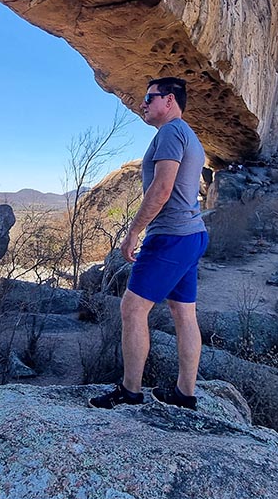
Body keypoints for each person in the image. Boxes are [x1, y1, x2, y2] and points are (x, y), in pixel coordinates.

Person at [89, 76, 208, 409]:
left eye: (149, 97)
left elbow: (162, 189)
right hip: (192, 234)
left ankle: (130, 391)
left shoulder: (171, 132)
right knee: (184, 313)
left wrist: (133, 231)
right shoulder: (190, 136)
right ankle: (185, 394)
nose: (142, 103)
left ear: (169, 100)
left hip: (170, 236)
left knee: (132, 307)